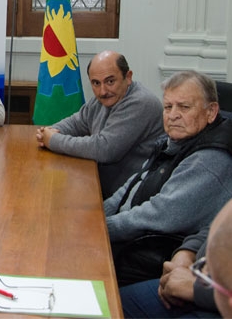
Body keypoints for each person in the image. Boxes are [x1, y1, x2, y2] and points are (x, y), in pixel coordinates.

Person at [105, 71, 232, 285]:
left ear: (211, 112)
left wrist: (99, 229)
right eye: (168, 107)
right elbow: (134, 185)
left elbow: (157, 215)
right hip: (127, 240)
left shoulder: (208, 160)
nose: (173, 115)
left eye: (184, 107)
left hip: (149, 257)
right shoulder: (174, 141)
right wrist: (96, 215)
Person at [36, 51, 164, 198]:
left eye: (110, 81)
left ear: (128, 77)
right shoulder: (105, 99)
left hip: (127, 200)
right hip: (99, 186)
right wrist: (49, 131)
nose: (103, 91)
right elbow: (77, 122)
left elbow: (104, 148)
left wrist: (52, 140)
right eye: (96, 83)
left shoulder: (140, 102)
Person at [119, 197, 232, 318]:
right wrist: (187, 252)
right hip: (195, 279)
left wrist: (198, 288)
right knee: (110, 304)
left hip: (212, 293)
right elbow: (219, 227)